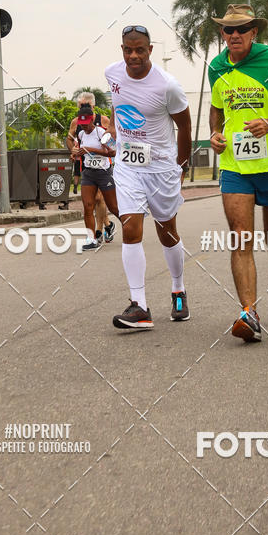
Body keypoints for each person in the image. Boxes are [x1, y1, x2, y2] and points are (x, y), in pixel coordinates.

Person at [209, 4, 268, 343]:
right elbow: (217, 111)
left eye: (241, 29)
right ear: (223, 34)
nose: (234, 35)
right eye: (228, 30)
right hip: (235, 166)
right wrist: (215, 135)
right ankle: (248, 312)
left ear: (253, 33)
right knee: (240, 236)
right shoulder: (217, 68)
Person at [105, 26, 192, 330]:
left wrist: (182, 165)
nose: (133, 56)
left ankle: (178, 289)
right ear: (122, 49)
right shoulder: (112, 74)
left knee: (167, 231)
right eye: (128, 50)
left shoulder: (168, 86)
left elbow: (185, 126)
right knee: (130, 227)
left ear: (150, 50)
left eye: (140, 50)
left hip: (161, 168)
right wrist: (117, 133)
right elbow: (118, 107)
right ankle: (139, 306)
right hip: (128, 166)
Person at [67, 93, 115, 245]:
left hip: (104, 165)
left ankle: (100, 229)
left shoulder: (104, 121)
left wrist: (93, 149)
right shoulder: (76, 123)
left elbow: (112, 144)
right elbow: (70, 139)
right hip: (86, 165)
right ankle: (105, 227)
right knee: (91, 201)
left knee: (100, 199)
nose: (84, 108)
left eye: (87, 105)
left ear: (93, 106)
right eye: (81, 106)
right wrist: (73, 150)